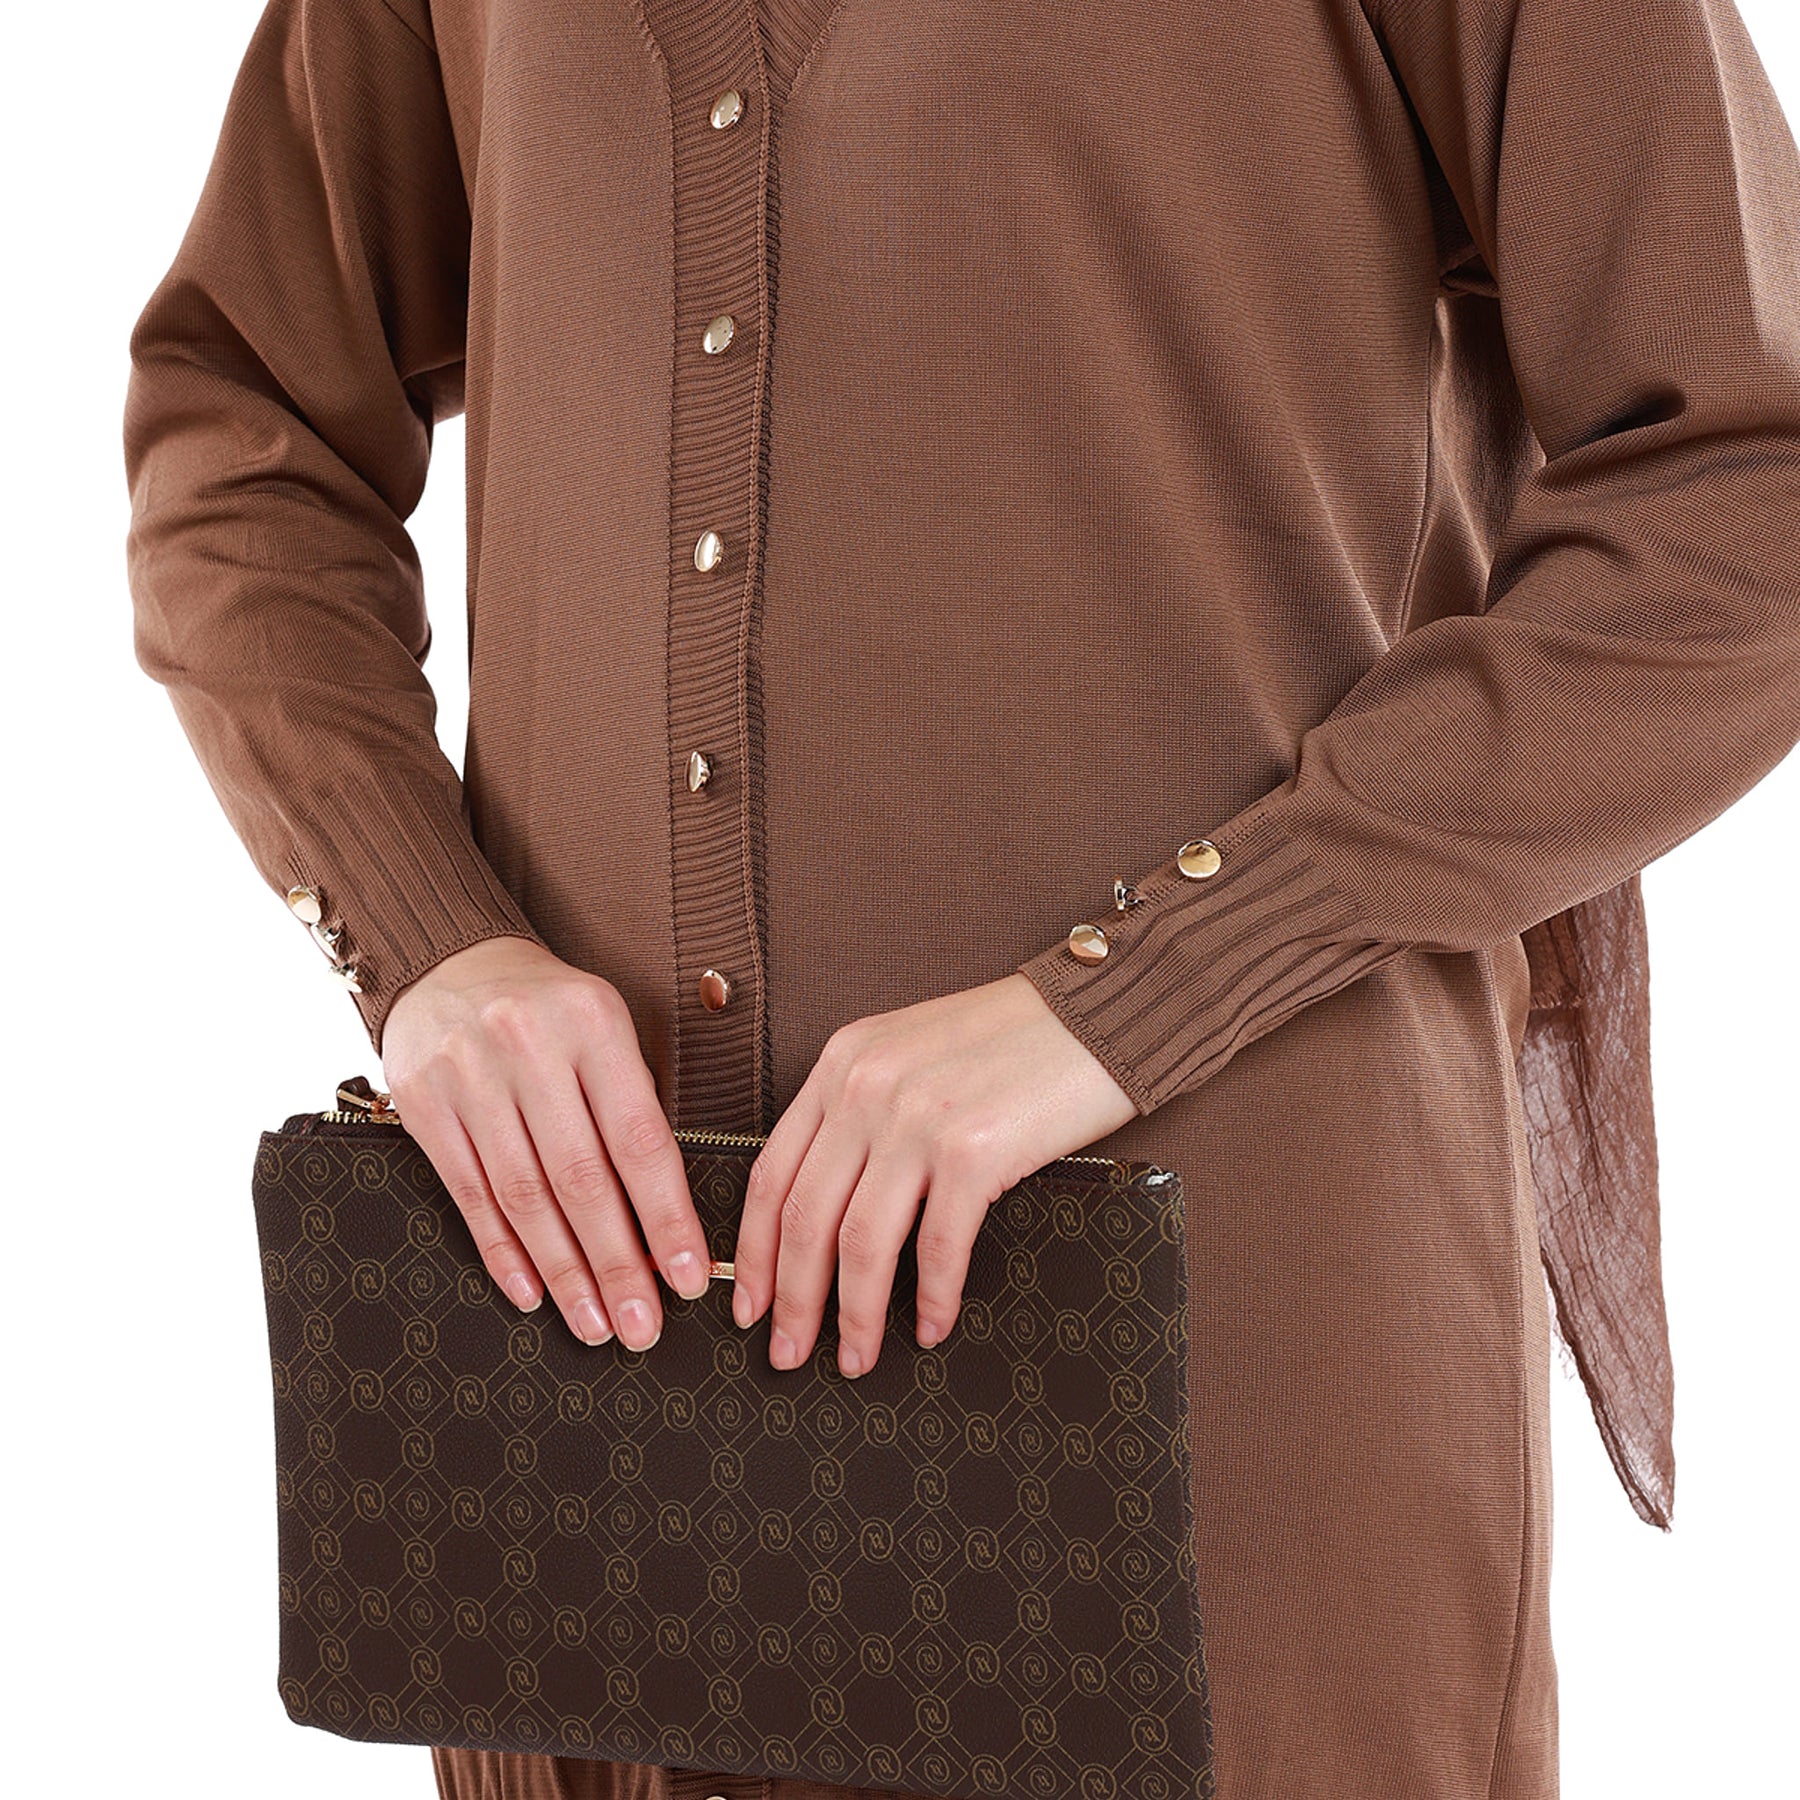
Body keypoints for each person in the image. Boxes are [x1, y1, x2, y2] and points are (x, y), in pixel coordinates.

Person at [123, 0, 1800, 1795]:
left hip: (1226, 1384)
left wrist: (1140, 987)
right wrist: (427, 936)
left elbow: (1753, 489)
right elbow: (245, 424)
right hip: (602, 1387)